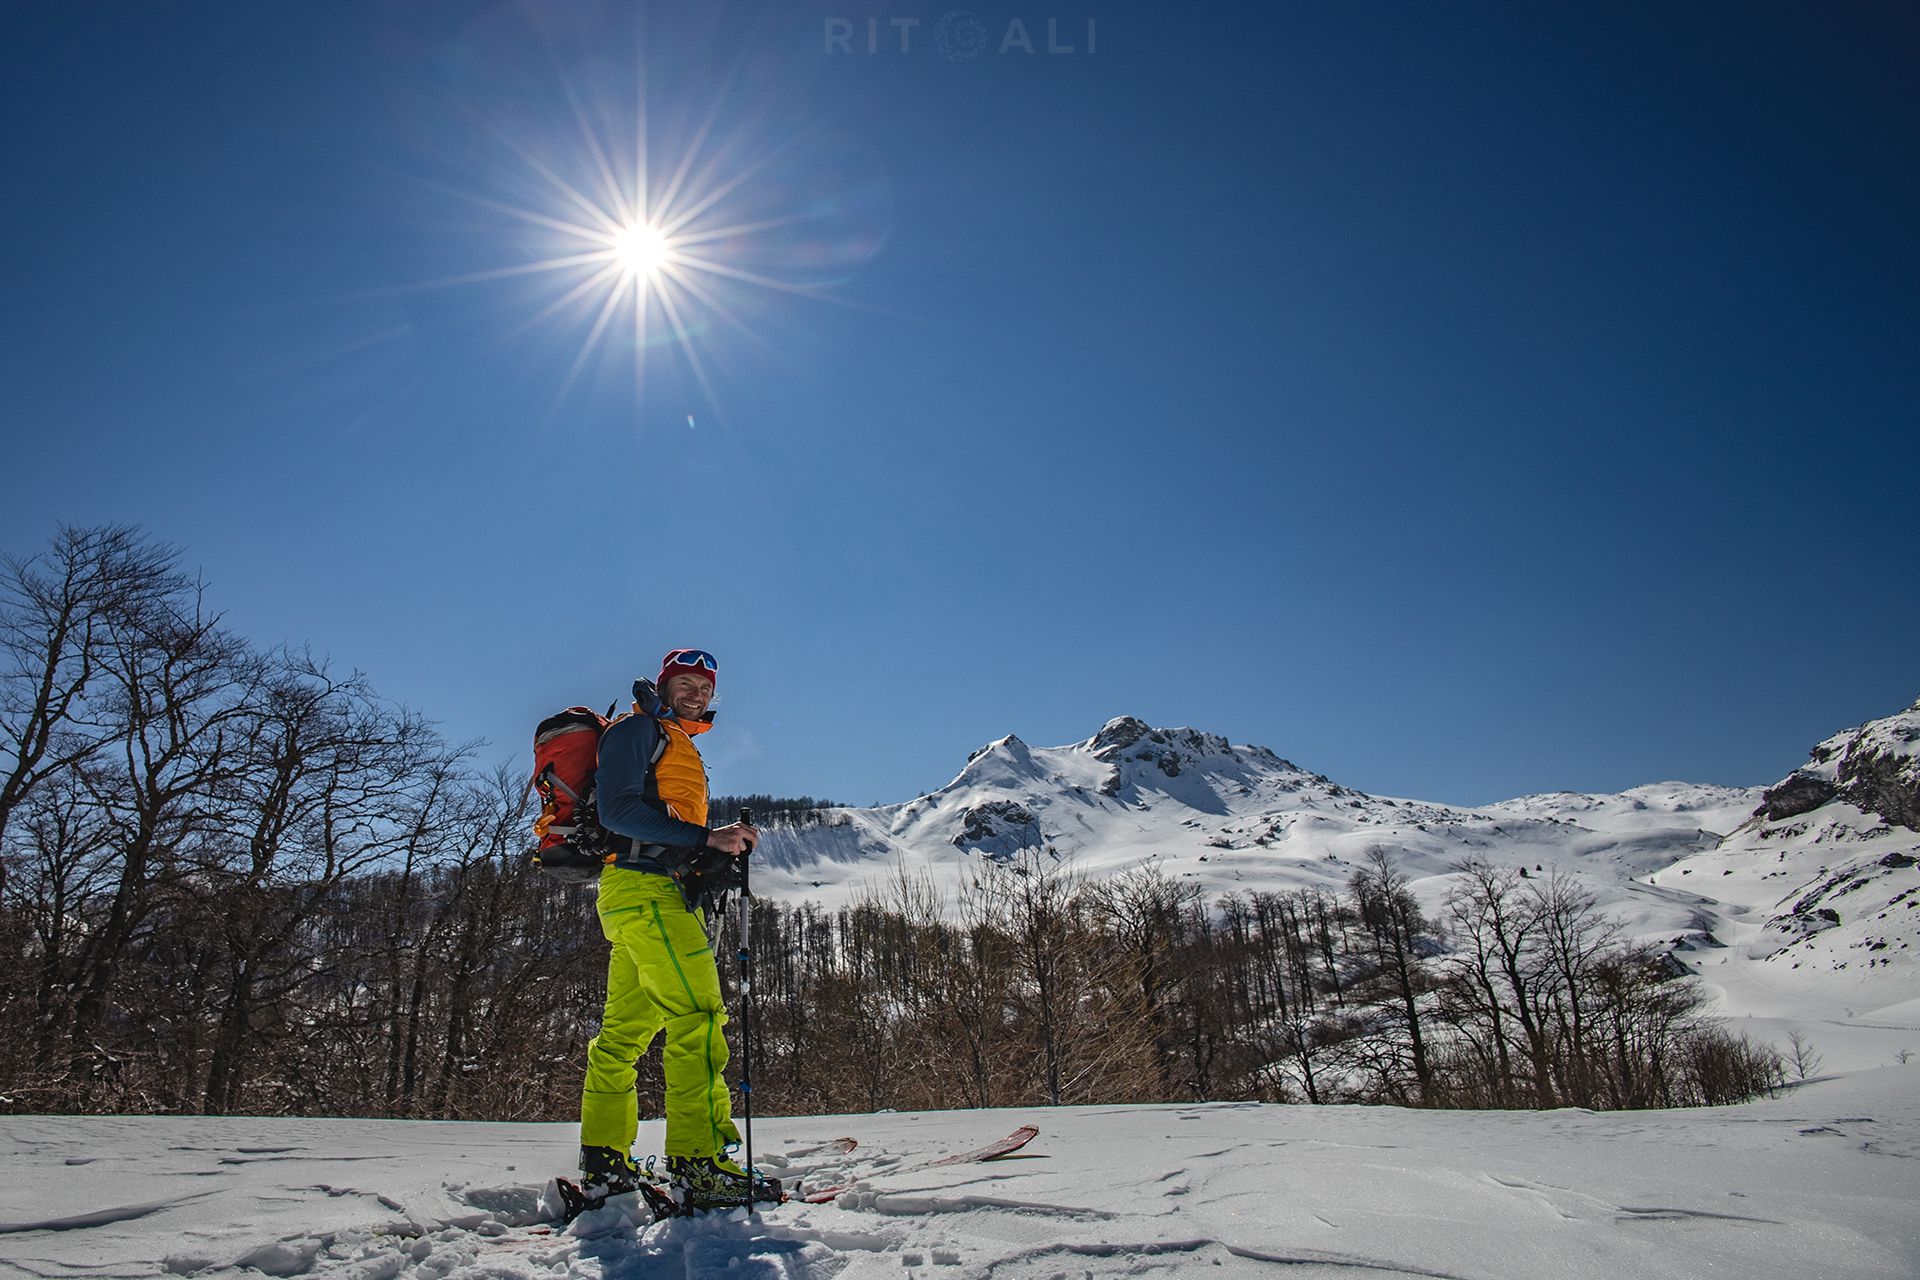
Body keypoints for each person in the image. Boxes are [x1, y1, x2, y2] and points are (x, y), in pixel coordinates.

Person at [577, 647, 776, 1211]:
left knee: (621, 1038)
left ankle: (605, 1164)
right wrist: (704, 839)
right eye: (684, 682)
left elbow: (664, 826)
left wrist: (711, 847)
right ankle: (700, 1163)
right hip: (646, 895)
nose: (697, 693)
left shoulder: (673, 742)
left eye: (705, 686)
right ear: (663, 688)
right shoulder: (637, 730)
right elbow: (617, 813)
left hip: (642, 895)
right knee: (697, 1017)